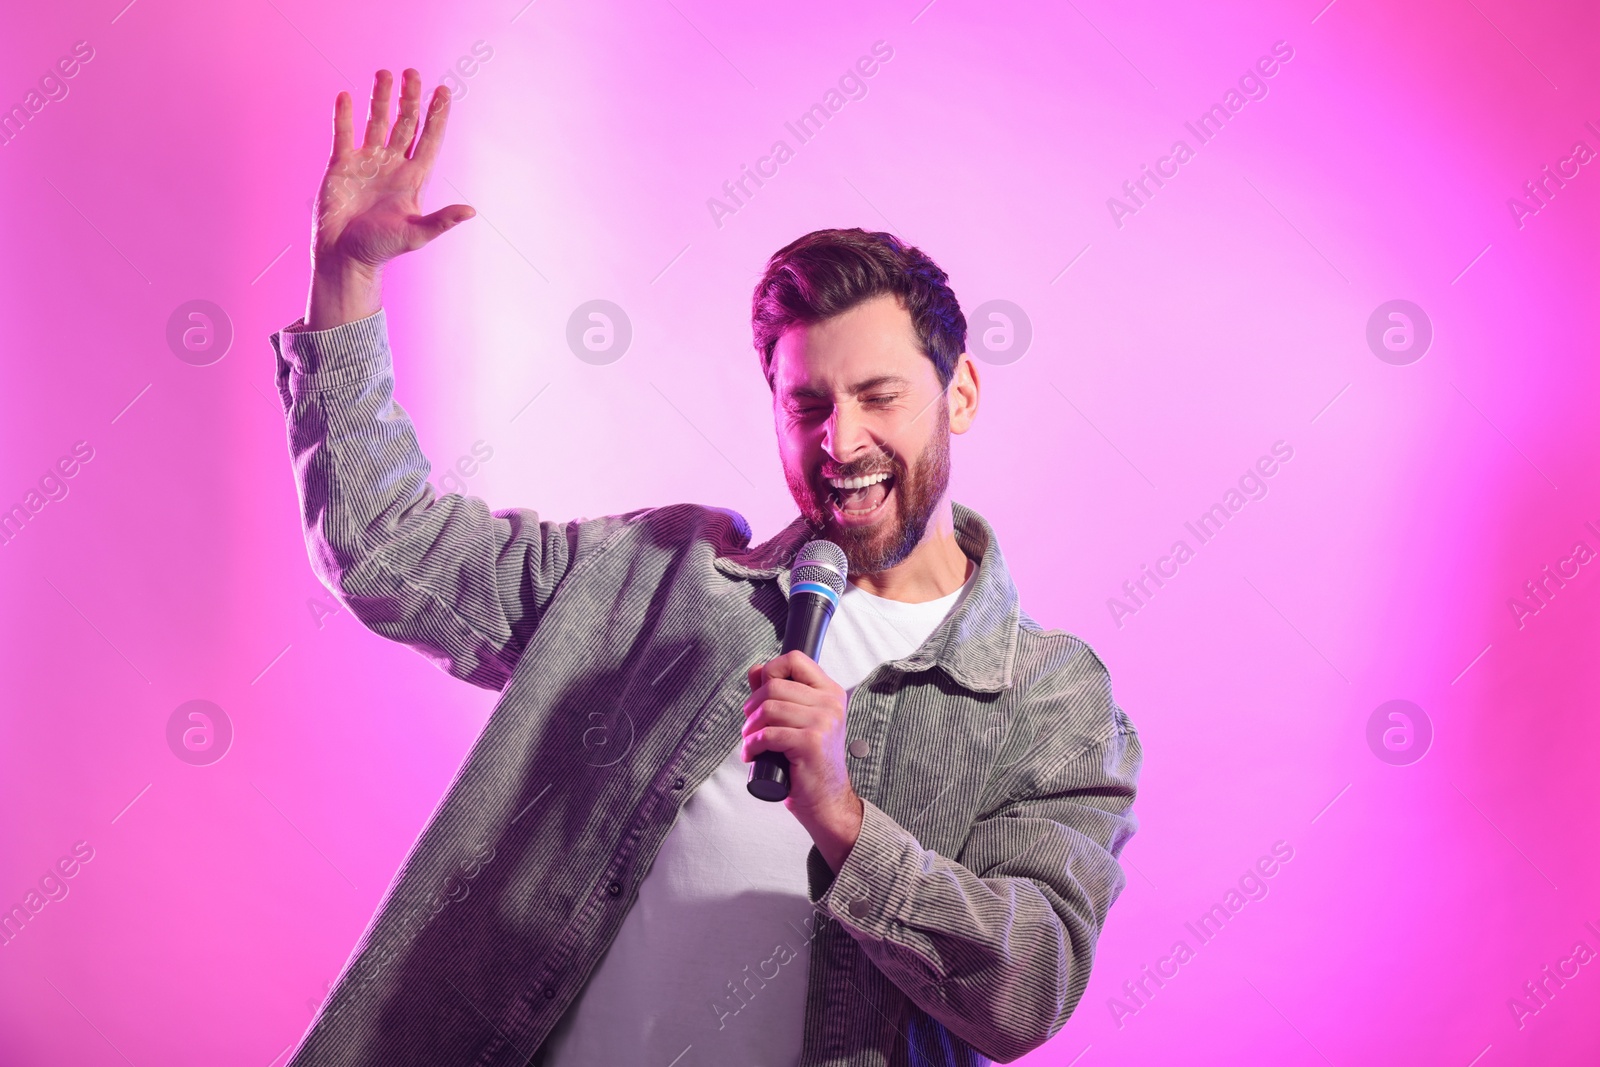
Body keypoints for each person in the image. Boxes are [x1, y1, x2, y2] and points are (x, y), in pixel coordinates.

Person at [271, 68, 1141, 1067]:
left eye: (878, 395)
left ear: (962, 395)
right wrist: (346, 279)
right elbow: (387, 548)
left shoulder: (1051, 699)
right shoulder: (657, 575)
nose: (841, 439)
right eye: (807, 403)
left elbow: (1022, 990)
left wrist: (840, 813)